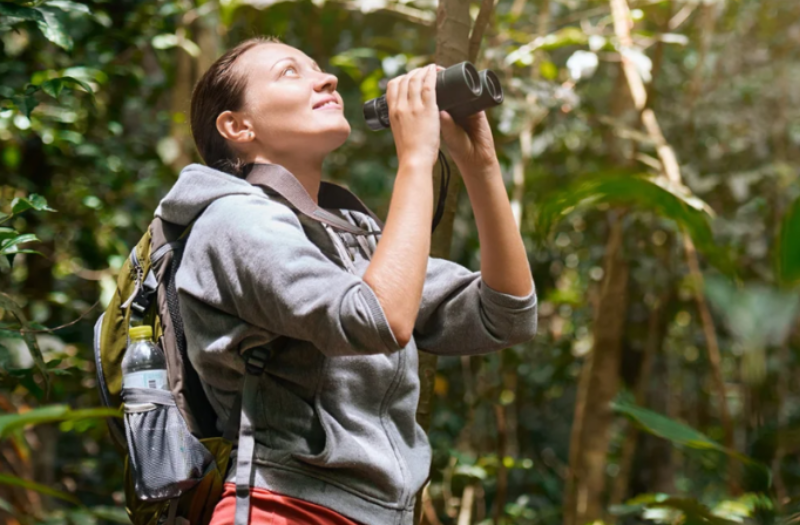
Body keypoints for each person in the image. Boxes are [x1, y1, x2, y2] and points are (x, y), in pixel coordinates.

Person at [153, 35, 538, 525]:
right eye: (290, 72)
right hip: (283, 509)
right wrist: (416, 159)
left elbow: (505, 315)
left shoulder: (351, 240)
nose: (327, 78)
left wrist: (480, 166)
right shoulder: (232, 222)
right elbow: (376, 319)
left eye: (317, 65)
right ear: (236, 125)